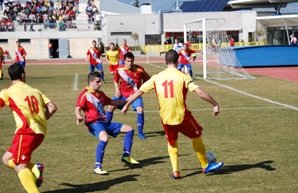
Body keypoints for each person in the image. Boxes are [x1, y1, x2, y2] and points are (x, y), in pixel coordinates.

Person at [122, 50, 224, 179]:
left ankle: (176, 171)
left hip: (165, 117)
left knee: (172, 142)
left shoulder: (156, 77)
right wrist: (215, 104)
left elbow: (138, 92)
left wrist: (126, 105)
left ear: (165, 61)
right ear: (178, 61)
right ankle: (205, 165)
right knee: (197, 135)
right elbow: (200, 93)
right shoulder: (183, 76)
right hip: (182, 116)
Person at [0, 63, 57, 193]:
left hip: (26, 131)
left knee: (19, 165)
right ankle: (34, 168)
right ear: (23, 75)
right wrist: (41, 120)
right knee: (6, 159)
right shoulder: (35, 90)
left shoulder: (7, 91)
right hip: (40, 132)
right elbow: (52, 107)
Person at [75, 71, 140, 175]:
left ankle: (126, 156)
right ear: (91, 82)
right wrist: (78, 116)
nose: (100, 84)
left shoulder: (100, 94)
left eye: (100, 81)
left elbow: (113, 102)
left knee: (129, 129)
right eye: (98, 82)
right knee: (104, 138)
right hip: (94, 123)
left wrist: (128, 101)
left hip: (104, 122)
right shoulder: (85, 95)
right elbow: (78, 108)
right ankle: (97, 167)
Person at [106, 52, 150, 140]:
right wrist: (117, 90)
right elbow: (115, 80)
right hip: (122, 95)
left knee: (140, 109)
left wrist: (141, 90)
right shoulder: (120, 70)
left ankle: (140, 133)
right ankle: (106, 130)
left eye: (132, 61)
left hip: (135, 96)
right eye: (128, 61)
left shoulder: (140, 69)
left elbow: (148, 80)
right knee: (110, 107)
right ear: (124, 61)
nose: (130, 63)